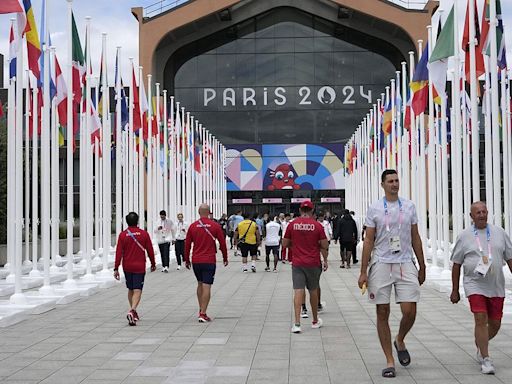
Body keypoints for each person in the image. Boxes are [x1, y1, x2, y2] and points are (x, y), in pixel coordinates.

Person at [357, 169, 426, 378]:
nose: (394, 184)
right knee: (382, 311)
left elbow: (415, 236)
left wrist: (422, 265)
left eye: (397, 180)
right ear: (383, 184)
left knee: (410, 310)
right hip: (381, 262)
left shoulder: (409, 206)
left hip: (405, 261)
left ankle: (400, 339)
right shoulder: (375, 208)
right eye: (390, 181)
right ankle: (389, 360)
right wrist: (363, 271)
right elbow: (369, 240)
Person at [450, 201, 512, 375]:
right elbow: (456, 264)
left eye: (484, 211)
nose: (482, 215)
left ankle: (480, 342)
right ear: (471, 216)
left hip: (496, 284)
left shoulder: (499, 233)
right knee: (480, 318)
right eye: (478, 212)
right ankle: (486, 359)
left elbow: (510, 258)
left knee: (495, 324)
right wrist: (455, 290)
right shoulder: (464, 236)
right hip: (474, 283)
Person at [283, 200, 329, 333]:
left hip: (297, 263)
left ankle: (297, 323)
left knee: (298, 291)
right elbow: (325, 245)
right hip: (313, 262)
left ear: (300, 210)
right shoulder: (317, 226)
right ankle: (315, 320)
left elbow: (285, 243)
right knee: (313, 290)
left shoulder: (292, 225)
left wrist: (296, 246)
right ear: (312, 211)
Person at [185, 204, 228, 322]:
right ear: (209, 212)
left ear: (198, 212)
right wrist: (225, 257)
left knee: (200, 284)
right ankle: (203, 313)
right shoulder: (215, 226)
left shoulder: (193, 226)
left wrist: (186, 259)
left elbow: (187, 244)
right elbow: (222, 244)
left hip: (196, 260)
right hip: (209, 260)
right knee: (207, 285)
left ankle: (201, 309)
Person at [114, 212, 156, 326]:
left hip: (127, 266)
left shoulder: (123, 235)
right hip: (139, 266)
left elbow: (118, 252)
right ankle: (132, 310)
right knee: (138, 289)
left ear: (126, 221)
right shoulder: (144, 234)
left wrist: (116, 268)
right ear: (137, 221)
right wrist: (153, 263)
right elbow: (150, 250)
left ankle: (134, 311)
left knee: (131, 289)